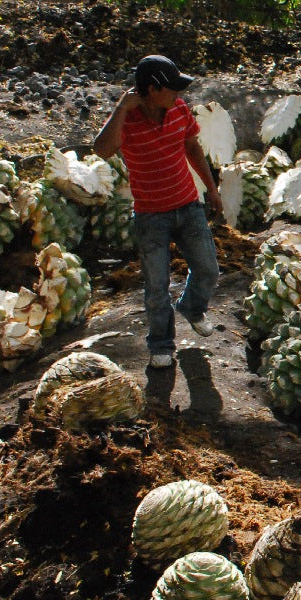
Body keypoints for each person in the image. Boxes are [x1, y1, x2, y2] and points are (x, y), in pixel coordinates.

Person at [94, 55, 222, 369]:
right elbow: (101, 150)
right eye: (172, 88)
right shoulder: (128, 121)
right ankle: (161, 344)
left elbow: (192, 148)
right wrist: (120, 109)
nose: (179, 95)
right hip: (151, 216)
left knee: (208, 269)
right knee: (156, 287)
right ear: (152, 89)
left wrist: (212, 188)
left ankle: (192, 308)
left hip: (188, 205)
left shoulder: (178, 110)